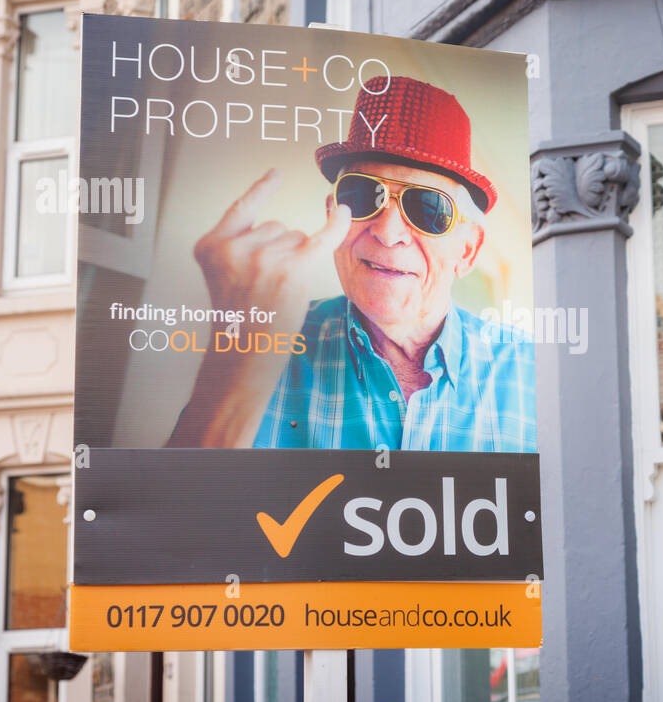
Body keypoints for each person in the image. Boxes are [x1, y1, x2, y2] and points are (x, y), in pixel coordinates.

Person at [167, 76, 535, 453]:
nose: (388, 233)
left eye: (428, 207)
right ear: (332, 217)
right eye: (361, 196)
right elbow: (171, 510)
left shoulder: (533, 372)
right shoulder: (264, 340)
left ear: (468, 251)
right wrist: (237, 364)